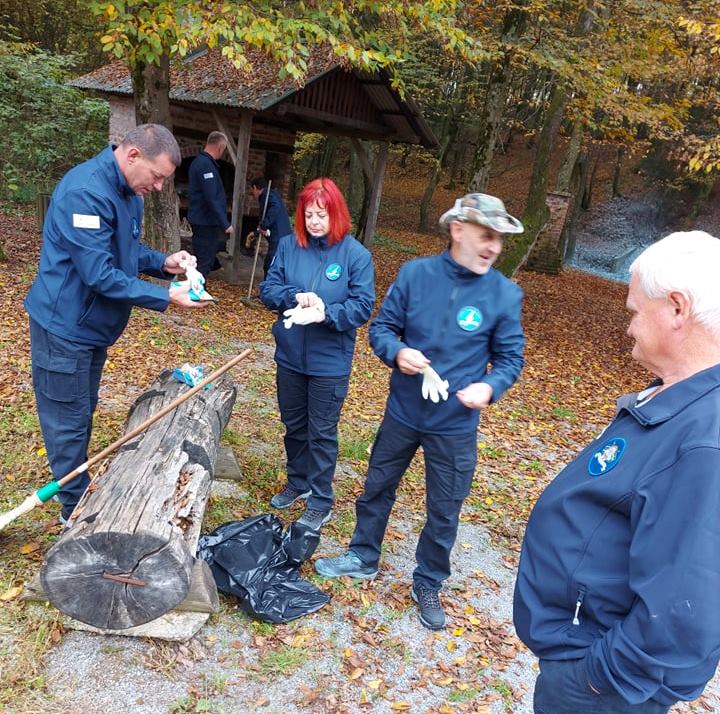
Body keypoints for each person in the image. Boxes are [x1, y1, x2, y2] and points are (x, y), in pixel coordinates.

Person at [513, 231, 720, 713]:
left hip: (602, 689)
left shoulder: (705, 441)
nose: (628, 326)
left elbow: (685, 607)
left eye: (633, 311)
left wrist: (595, 680)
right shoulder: (680, 401)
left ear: (676, 308)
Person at [315, 193, 526, 631]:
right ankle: (363, 554)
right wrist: (397, 352)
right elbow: (383, 328)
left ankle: (429, 580)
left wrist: (490, 386)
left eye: (500, 240)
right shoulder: (416, 275)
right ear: (458, 230)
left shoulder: (505, 294)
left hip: (455, 424)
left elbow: (510, 359)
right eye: (486, 236)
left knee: (445, 507)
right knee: (377, 486)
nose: (493, 247)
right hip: (403, 411)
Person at [24, 123, 209, 525]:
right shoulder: (85, 193)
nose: (159, 187)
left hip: (91, 329)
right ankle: (75, 513)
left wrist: (164, 263)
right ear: (132, 156)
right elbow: (100, 274)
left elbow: (125, 251)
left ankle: (76, 493)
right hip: (64, 328)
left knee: (82, 409)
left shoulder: (129, 192)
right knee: (68, 421)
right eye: (157, 176)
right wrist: (165, 296)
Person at [259, 178, 374, 531]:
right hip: (291, 354)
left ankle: (321, 499)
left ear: (336, 214)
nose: (314, 222)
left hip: (329, 360)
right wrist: (295, 296)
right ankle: (298, 481)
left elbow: (362, 306)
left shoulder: (356, 255)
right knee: (294, 425)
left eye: (321, 215)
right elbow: (269, 290)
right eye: (309, 215)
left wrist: (327, 312)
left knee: (321, 432)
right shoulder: (288, 246)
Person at [187, 131, 233, 278]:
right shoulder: (205, 165)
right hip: (204, 222)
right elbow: (212, 197)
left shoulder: (202, 163)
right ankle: (196, 295)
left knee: (206, 260)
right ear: (220, 147)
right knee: (204, 262)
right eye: (223, 149)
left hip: (203, 221)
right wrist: (225, 223)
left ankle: (199, 293)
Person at [250, 177, 292, 279]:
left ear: (255, 188)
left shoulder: (269, 195)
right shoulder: (270, 195)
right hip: (281, 236)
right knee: (273, 264)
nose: (253, 194)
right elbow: (267, 217)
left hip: (279, 237)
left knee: (270, 265)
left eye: (252, 191)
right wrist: (256, 232)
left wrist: (264, 225)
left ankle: (268, 290)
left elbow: (275, 208)